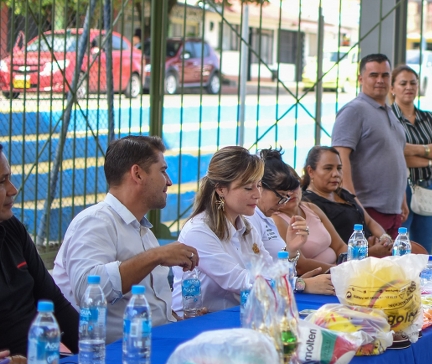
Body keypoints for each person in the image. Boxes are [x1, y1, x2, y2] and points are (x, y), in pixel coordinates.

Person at [53, 136, 199, 343]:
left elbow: (157, 307)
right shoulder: (95, 221)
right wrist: (156, 256)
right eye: (162, 171)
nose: (169, 181)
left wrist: (180, 321)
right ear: (137, 174)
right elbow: (87, 290)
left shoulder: (143, 231)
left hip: (159, 342)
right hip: (121, 356)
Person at [0, 144, 79, 356]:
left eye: (9, 178)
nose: (13, 190)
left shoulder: (12, 228)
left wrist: (94, 351)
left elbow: (54, 302)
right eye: (1, 182)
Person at [172, 146, 271, 314]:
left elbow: (268, 267)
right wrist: (296, 283)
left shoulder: (246, 227)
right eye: (248, 188)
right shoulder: (199, 231)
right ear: (220, 189)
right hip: (194, 323)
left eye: (259, 185)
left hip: (232, 316)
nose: (257, 194)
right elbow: (238, 281)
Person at [331, 53, 409, 239]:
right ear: (361, 79)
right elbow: (341, 155)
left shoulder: (389, 112)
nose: (380, 80)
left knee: (390, 266)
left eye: (385, 75)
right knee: (369, 267)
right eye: (374, 75)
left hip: (393, 209)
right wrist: (352, 199)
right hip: (367, 210)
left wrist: (402, 198)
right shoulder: (354, 111)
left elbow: (397, 155)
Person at [247, 148, 335, 295]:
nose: (282, 203)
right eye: (280, 196)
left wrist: (292, 251)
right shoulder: (249, 220)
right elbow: (250, 278)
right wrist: (300, 284)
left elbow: (275, 268)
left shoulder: (266, 218)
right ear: (259, 186)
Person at [390, 65, 432, 253]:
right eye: (403, 83)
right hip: (400, 190)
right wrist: (431, 156)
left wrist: (413, 150)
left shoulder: (428, 117)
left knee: (424, 251)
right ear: (392, 88)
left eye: (413, 83)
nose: (409, 87)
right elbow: (395, 155)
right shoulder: (389, 118)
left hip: (429, 187)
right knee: (399, 250)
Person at [301, 146, 394, 251]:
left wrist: (385, 239)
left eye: (339, 168)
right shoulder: (308, 204)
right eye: (328, 168)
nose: (336, 174)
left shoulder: (344, 193)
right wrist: (371, 251)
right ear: (310, 171)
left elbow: (369, 221)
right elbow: (334, 246)